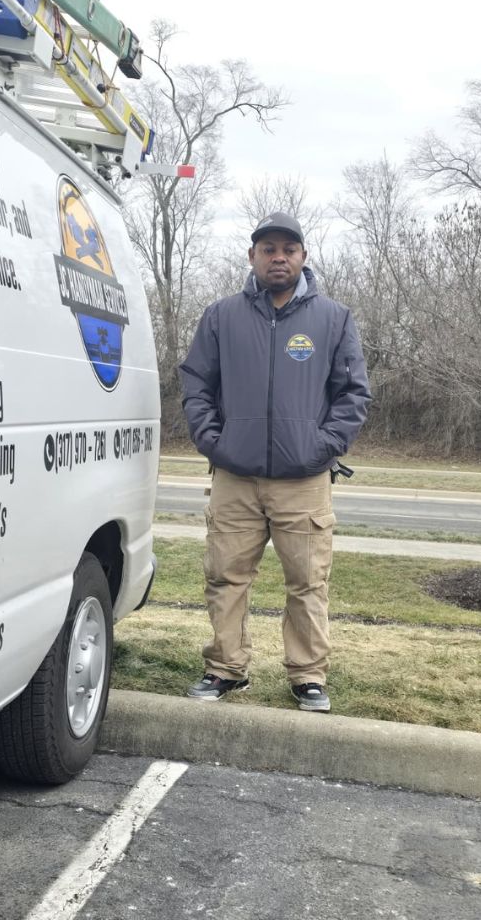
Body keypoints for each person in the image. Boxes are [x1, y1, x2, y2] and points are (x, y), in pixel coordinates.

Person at [179, 211, 371, 711]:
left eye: (288, 249)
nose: (278, 257)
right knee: (225, 577)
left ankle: (308, 676)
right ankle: (224, 668)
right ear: (253, 257)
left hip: (304, 480)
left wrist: (322, 447)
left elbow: (353, 394)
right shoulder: (221, 316)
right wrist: (214, 441)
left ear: (303, 257)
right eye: (268, 249)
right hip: (234, 476)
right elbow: (197, 383)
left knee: (307, 583)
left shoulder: (334, 318)